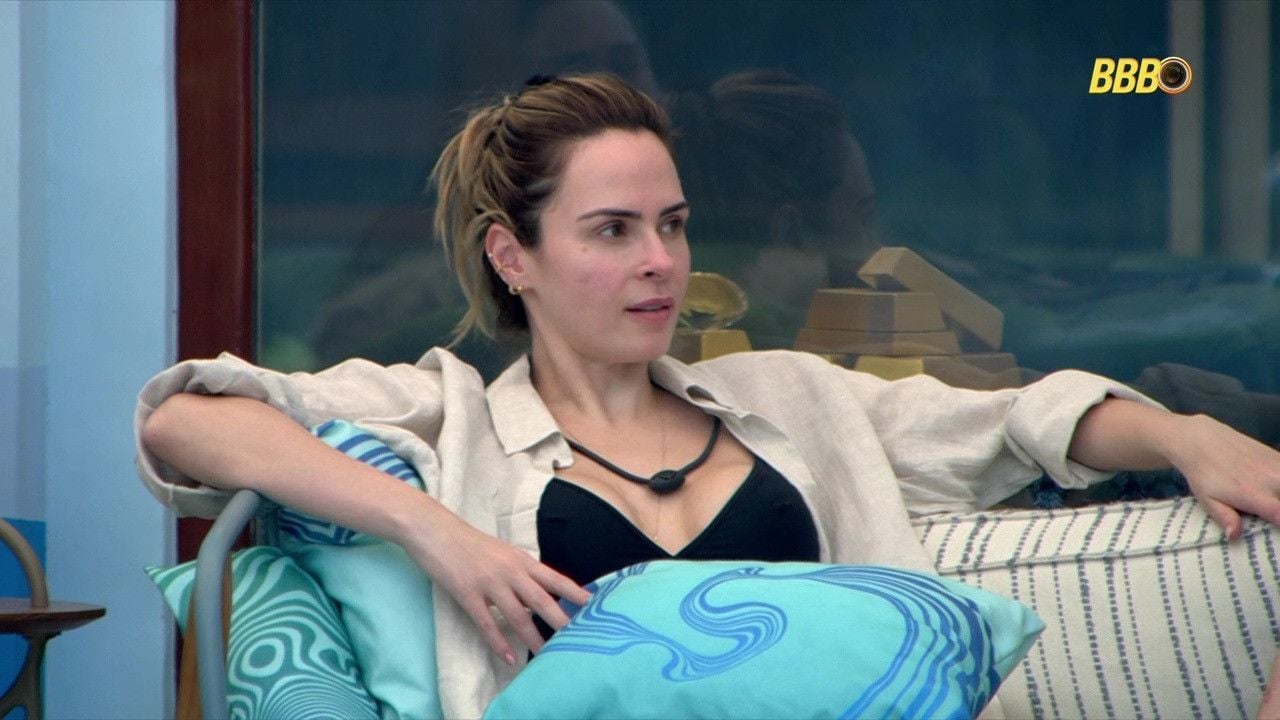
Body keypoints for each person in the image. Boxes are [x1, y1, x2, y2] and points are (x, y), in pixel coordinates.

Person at [136, 73, 1280, 718]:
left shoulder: (794, 396)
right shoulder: (449, 415)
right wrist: (433, 530)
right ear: (512, 256)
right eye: (612, 231)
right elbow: (185, 419)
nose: (659, 262)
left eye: (672, 226)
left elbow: (1020, 422)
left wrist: (1184, 433)